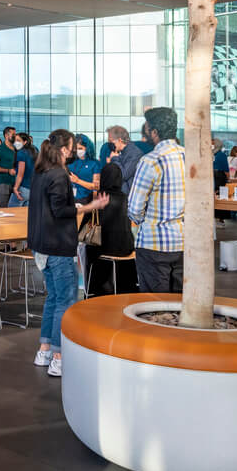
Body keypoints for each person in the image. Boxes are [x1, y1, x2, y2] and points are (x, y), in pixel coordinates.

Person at [29, 129, 107, 378]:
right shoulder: (60, 175)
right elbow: (60, 210)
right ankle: (59, 357)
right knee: (65, 301)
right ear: (64, 149)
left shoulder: (41, 172)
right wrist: (88, 206)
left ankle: (45, 351)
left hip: (41, 246)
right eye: (73, 146)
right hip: (58, 246)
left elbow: (51, 207)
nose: (75, 150)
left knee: (53, 299)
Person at [127, 108, 187, 293]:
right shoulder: (191, 157)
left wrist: (141, 219)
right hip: (185, 242)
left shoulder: (150, 161)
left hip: (154, 243)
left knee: (155, 307)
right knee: (179, 305)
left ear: (154, 132)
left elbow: (134, 209)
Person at [83, 162, 136, 296]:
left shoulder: (96, 198)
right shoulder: (126, 198)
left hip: (102, 248)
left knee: (86, 248)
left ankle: (91, 290)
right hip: (125, 248)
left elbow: (85, 228)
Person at [67, 133, 103, 203]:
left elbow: (96, 187)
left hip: (86, 199)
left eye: (80, 148)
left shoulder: (94, 164)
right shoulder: (70, 161)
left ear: (87, 148)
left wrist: (78, 181)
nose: (78, 151)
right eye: (76, 148)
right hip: (70, 198)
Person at [11, 133, 36, 207]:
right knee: (26, 214)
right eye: (15, 140)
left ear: (25, 142)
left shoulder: (21, 153)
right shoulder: (34, 151)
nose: (16, 142)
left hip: (23, 188)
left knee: (12, 210)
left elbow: (20, 174)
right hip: (32, 188)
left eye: (18, 140)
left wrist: (15, 188)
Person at [212, 137, 230, 221]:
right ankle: (217, 217)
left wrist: (228, 178)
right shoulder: (211, 154)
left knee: (219, 196)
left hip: (219, 177)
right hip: (214, 177)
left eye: (212, 143)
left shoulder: (221, 155)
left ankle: (220, 218)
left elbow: (226, 169)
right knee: (217, 196)